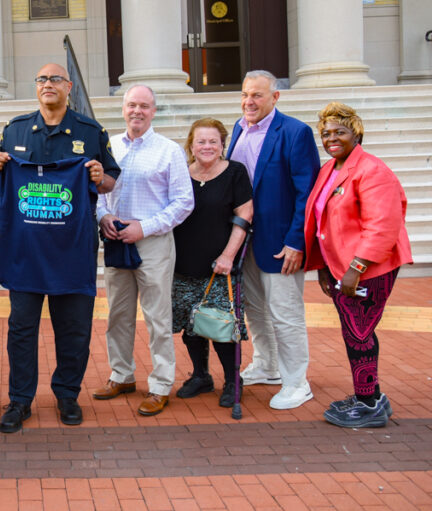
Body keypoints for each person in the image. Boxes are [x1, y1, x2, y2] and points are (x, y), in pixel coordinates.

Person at [0, 62, 119, 433]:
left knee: (74, 329)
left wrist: (99, 178)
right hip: (25, 253)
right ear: (36, 87)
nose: (48, 84)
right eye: (42, 78)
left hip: (72, 252)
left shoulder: (90, 131)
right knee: (21, 330)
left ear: (69, 86)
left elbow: (110, 179)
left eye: (55, 79)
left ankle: (67, 395)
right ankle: (19, 400)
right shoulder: (14, 129)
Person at [304, 102, 411, 427]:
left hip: (369, 269)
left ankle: (369, 404)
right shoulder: (331, 169)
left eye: (340, 132)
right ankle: (372, 395)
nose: (331, 138)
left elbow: (383, 225)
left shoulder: (372, 170)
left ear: (356, 133)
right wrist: (323, 267)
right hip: (342, 268)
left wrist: (356, 269)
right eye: (326, 133)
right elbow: (321, 222)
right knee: (356, 333)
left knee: (359, 334)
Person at [93, 85, 194, 417]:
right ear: (123, 109)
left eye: (145, 106)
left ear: (153, 111)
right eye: (132, 105)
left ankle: (161, 384)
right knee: (117, 315)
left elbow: (184, 202)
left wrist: (144, 227)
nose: (137, 111)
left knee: (157, 318)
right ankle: (121, 375)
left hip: (152, 243)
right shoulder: (109, 149)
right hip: (116, 240)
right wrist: (104, 217)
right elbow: (97, 193)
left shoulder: (169, 150)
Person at [227, 70, 320, 409]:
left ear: (275, 97)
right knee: (254, 309)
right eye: (245, 94)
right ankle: (267, 365)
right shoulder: (237, 128)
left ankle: (297, 381)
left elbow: (306, 194)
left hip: (281, 242)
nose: (249, 101)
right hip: (245, 240)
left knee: (285, 312)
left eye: (257, 95)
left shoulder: (295, 132)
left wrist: (297, 241)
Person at [171, 118, 253, 408]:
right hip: (181, 264)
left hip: (220, 267)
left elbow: (245, 215)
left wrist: (229, 256)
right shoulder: (181, 172)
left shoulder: (234, 172)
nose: (206, 146)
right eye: (201, 141)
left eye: (213, 141)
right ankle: (201, 376)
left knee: (220, 327)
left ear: (222, 145)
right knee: (190, 326)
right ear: (191, 145)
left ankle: (233, 380)